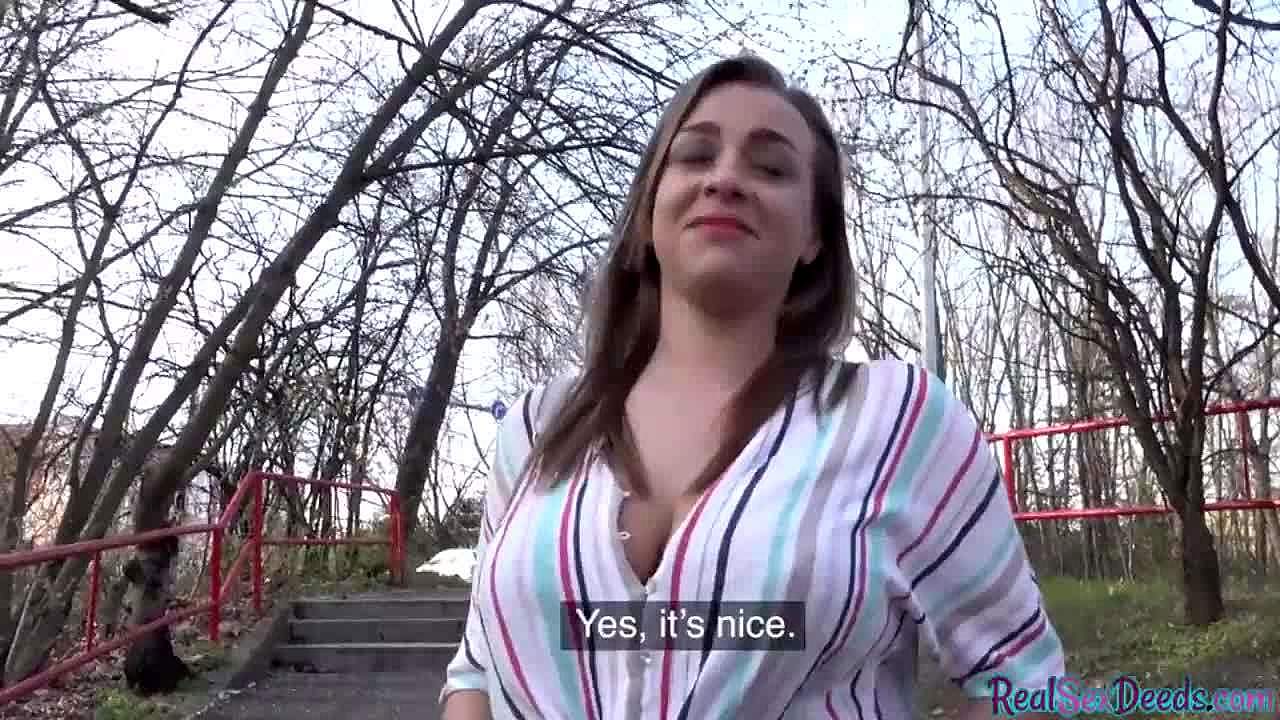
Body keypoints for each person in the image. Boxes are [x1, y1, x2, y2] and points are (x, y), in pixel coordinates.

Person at [439, 54, 1066, 720]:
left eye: (770, 168)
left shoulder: (899, 423)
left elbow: (1025, 681)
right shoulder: (537, 427)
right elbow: (477, 671)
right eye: (695, 156)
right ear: (648, 210)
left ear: (814, 235)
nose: (726, 179)